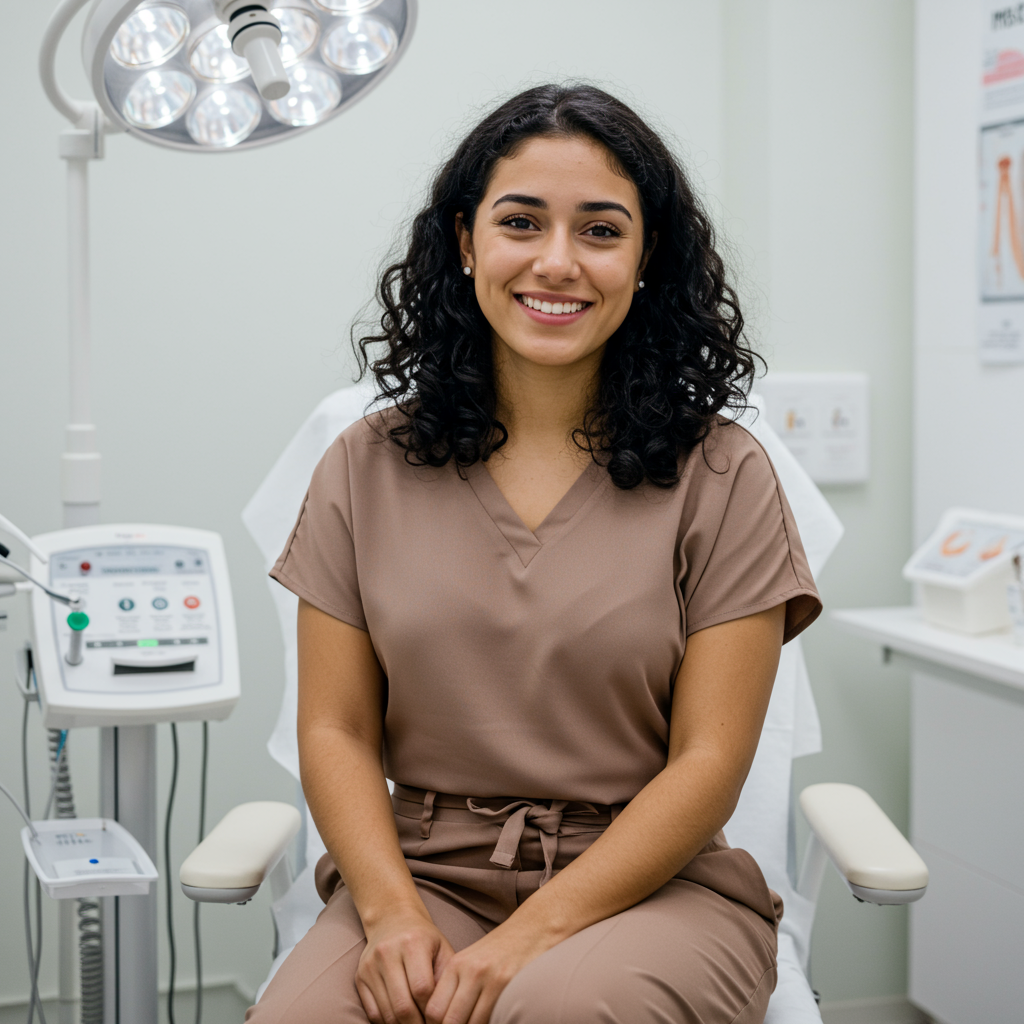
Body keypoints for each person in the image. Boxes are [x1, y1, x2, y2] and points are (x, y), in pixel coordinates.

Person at [249, 83, 821, 1024]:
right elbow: (336, 730)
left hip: (652, 886)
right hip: (420, 876)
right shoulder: (365, 464)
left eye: (600, 231)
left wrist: (527, 938)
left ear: (646, 259)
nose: (557, 262)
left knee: (556, 1009)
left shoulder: (724, 474)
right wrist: (390, 916)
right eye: (521, 222)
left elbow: (710, 761)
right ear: (467, 241)